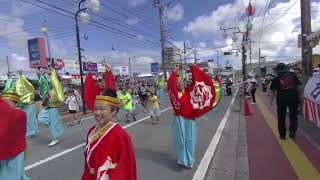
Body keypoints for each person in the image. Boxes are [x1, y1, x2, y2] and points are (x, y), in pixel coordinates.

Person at [82, 89, 137, 180]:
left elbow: (125, 168)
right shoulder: (91, 131)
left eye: (102, 109)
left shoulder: (120, 136)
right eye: (95, 109)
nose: (97, 113)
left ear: (113, 111)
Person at [0, 81, 29, 180]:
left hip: (15, 151)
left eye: (8, 102)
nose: (6, 105)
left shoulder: (20, 114)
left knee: (13, 174)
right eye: (4, 102)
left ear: (16, 103)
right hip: (5, 149)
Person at [171, 68, 197, 169]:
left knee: (190, 140)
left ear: (184, 82)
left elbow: (196, 82)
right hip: (179, 119)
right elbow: (170, 84)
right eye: (177, 83)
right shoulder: (174, 94)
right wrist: (175, 72)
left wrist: (194, 70)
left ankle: (190, 160)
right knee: (180, 140)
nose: (179, 84)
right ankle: (182, 159)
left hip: (190, 119)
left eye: (181, 82)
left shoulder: (189, 91)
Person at [270, 63, 301, 140]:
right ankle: (292, 132)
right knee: (293, 116)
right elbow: (299, 87)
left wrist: (271, 100)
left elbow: (273, 91)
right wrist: (299, 97)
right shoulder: (293, 76)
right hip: (293, 98)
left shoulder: (276, 79)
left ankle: (282, 135)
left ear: (278, 70)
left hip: (281, 100)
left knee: (281, 117)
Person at [38, 69, 65, 146]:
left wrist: (50, 73)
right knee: (41, 119)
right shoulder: (49, 89)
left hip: (53, 107)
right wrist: (42, 74)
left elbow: (54, 79)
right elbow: (43, 84)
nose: (50, 82)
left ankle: (55, 138)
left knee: (53, 122)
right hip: (47, 107)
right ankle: (56, 127)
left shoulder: (57, 87)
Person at [16, 71, 38, 139]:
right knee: (31, 120)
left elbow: (36, 93)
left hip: (28, 106)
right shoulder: (29, 90)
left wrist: (21, 75)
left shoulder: (29, 89)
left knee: (29, 120)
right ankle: (32, 132)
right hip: (29, 106)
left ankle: (30, 133)